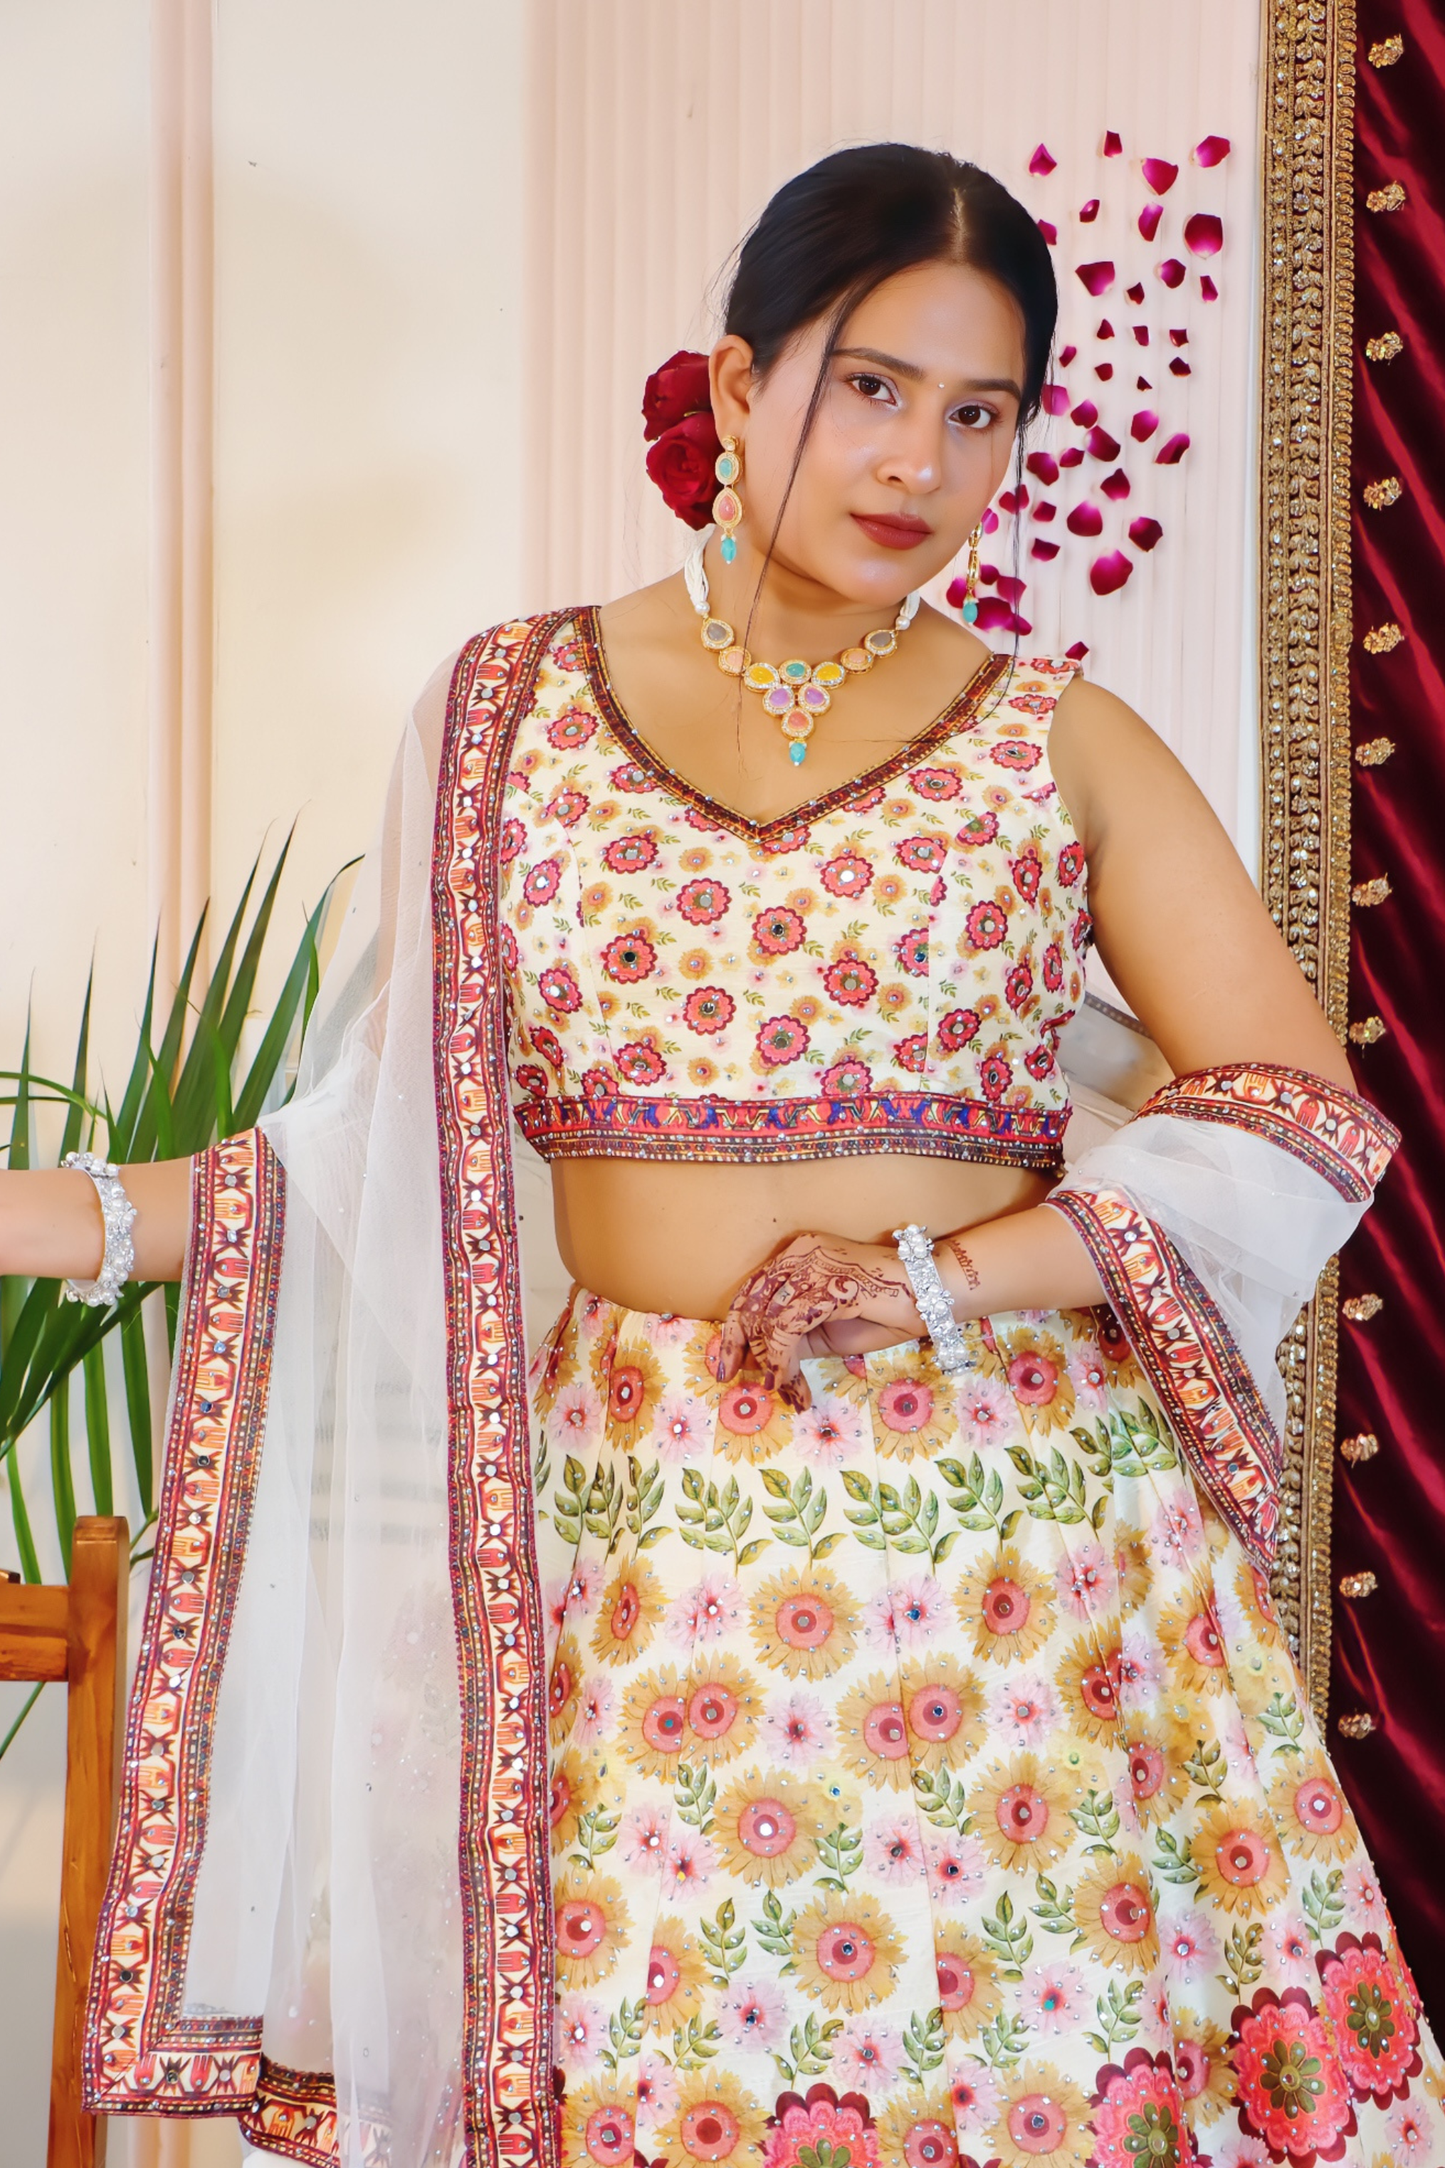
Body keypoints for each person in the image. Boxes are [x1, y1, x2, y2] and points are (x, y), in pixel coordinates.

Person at [2, 144, 1436, 2168]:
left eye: (978, 414)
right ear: (735, 380)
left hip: (1007, 1560)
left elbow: (1292, 1115)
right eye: (867, 385)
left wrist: (950, 1281)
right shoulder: (507, 714)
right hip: (646, 1560)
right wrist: (43, 1221)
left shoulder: (1058, 744)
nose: (917, 460)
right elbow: (359, 1157)